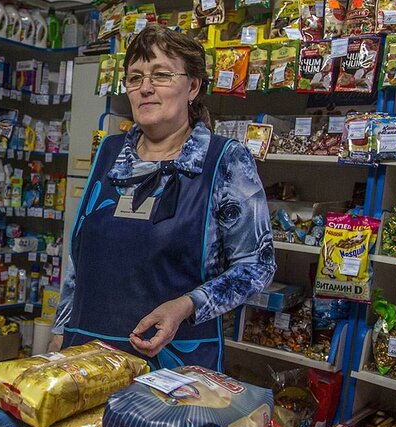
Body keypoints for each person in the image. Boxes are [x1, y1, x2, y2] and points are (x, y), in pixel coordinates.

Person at [49, 24, 275, 370]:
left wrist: (186, 305)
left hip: (173, 363)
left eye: (161, 75)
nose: (146, 89)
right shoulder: (109, 153)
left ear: (193, 86)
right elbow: (79, 259)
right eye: (135, 78)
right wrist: (61, 328)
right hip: (88, 354)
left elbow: (257, 265)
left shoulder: (225, 160)